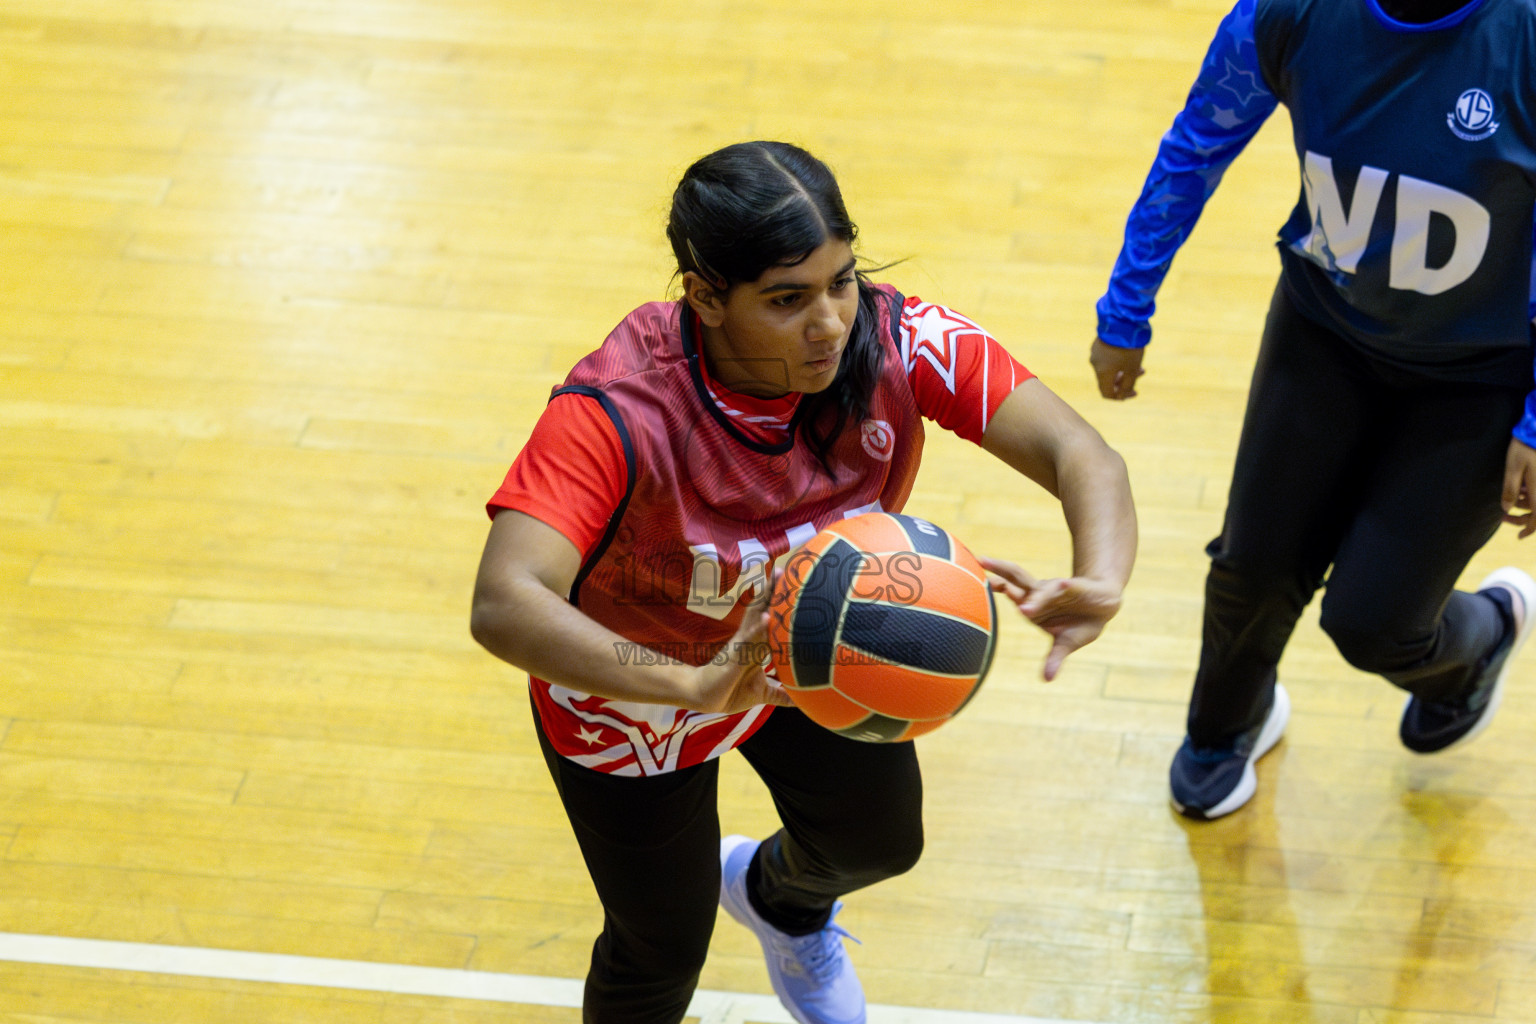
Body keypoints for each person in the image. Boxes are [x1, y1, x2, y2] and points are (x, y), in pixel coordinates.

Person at [470, 141, 1137, 1024]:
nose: (828, 322)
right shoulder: (619, 410)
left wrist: (1102, 573)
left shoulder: (900, 342)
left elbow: (1077, 449)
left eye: (841, 281)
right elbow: (505, 599)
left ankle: (777, 901)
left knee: (880, 843)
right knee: (657, 952)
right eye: (788, 300)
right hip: (632, 698)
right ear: (705, 296)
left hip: (806, 662)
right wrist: (691, 683)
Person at [1091, 0, 1536, 821]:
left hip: (1481, 375)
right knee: (1250, 571)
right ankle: (1226, 728)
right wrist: (1127, 306)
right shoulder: (1285, 14)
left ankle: (1484, 642)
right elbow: (1194, 148)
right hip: (1323, 334)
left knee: (1375, 627)